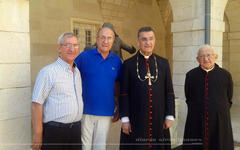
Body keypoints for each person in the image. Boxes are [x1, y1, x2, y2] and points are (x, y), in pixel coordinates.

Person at [119, 27, 175, 150]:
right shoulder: (128, 64)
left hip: (159, 118)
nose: (147, 43)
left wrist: (170, 115)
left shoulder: (163, 63)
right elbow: (123, 94)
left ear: (154, 41)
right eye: (144, 39)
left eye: (150, 39)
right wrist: (125, 119)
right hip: (136, 118)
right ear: (138, 42)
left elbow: (169, 92)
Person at [31, 32, 83, 150]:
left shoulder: (77, 72)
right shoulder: (48, 72)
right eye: (67, 45)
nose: (72, 49)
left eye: (75, 45)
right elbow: (36, 104)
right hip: (55, 132)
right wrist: (38, 134)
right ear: (59, 48)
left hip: (75, 131)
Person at [75, 26, 122, 150]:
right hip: (85, 110)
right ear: (97, 39)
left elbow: (118, 84)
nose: (105, 41)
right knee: (84, 146)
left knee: (100, 146)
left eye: (109, 38)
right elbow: (70, 77)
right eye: (103, 38)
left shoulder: (117, 61)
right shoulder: (84, 57)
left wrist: (119, 106)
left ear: (113, 41)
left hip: (106, 111)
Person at [183, 45, 234, 150]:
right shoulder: (190, 75)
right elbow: (189, 97)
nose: (206, 59)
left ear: (216, 56)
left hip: (219, 121)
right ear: (197, 59)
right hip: (196, 120)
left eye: (209, 55)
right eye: (202, 56)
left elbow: (229, 97)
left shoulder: (225, 75)